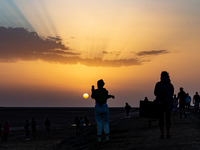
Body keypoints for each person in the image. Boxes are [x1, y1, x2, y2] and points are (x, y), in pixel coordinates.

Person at [154, 71, 174, 139]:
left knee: (161, 120)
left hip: (161, 104)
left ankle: (162, 134)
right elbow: (171, 94)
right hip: (169, 104)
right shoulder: (171, 85)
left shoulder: (158, 84)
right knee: (168, 119)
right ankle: (168, 133)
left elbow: (155, 93)